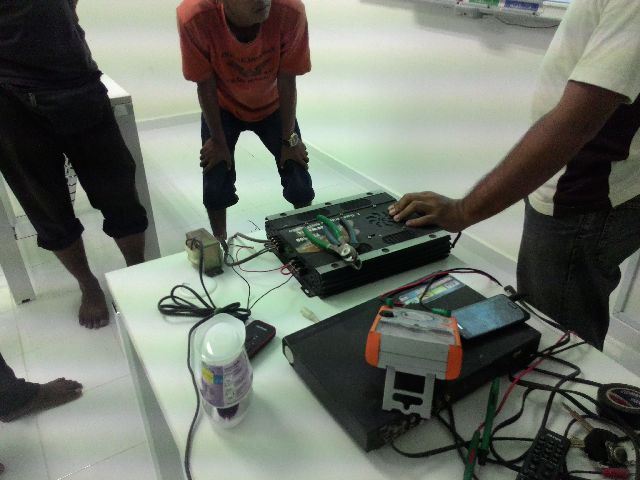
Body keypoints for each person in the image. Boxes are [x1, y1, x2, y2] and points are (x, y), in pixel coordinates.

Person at [389, 0, 640, 350]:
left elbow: (576, 122)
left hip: (581, 196)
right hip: (578, 188)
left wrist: (463, 211)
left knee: (558, 344)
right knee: (554, 323)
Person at [0, 1, 148, 329]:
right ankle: (87, 284)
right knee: (45, 207)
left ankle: (136, 271)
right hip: (8, 97)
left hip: (75, 81)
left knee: (119, 191)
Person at [177, 0, 315, 243]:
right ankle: (220, 243)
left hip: (273, 106)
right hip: (223, 108)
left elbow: (287, 80)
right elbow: (205, 84)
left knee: (299, 179)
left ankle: (308, 238)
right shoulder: (194, 17)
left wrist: (290, 139)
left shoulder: (290, 11)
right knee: (215, 181)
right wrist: (218, 141)